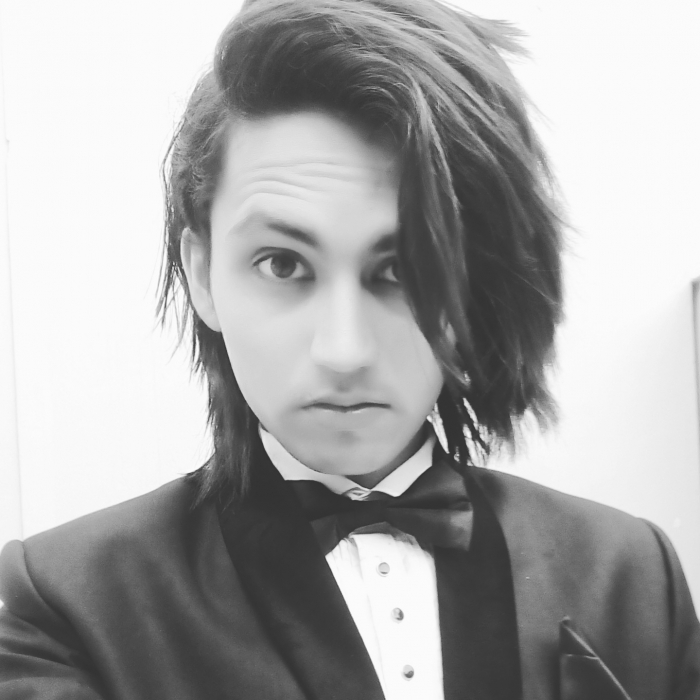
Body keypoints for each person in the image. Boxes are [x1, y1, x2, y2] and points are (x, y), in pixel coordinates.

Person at [0, 0, 698, 698]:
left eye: (404, 269)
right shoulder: (65, 608)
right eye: (282, 264)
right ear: (203, 274)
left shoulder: (633, 574)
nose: (343, 350)